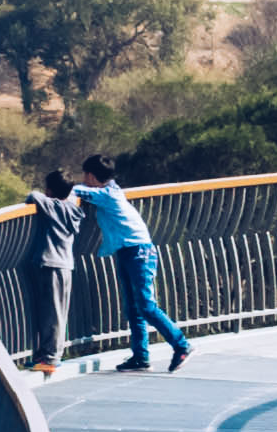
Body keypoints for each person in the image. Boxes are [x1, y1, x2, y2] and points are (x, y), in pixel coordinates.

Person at [81, 158, 192, 372]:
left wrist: (60, 190)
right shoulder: (111, 191)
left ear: (93, 177)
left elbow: (78, 192)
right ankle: (140, 357)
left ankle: (182, 345)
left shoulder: (108, 195)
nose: (83, 180)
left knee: (146, 306)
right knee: (134, 309)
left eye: (85, 176)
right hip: (128, 251)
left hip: (139, 252)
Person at [15, 168, 84, 378]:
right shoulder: (73, 208)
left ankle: (50, 358)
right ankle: (49, 354)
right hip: (65, 265)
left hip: (50, 264)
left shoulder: (51, 205)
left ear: (50, 190)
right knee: (57, 311)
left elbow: (32, 196)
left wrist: (47, 195)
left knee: (52, 313)